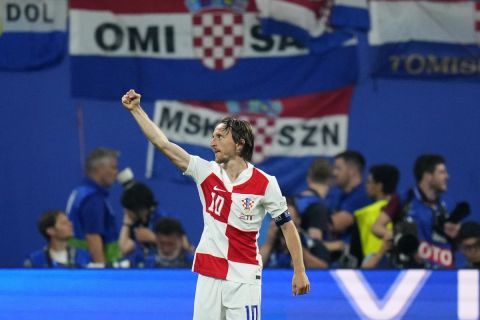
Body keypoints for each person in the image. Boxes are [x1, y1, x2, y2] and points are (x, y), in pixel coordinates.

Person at [121, 89, 309, 320]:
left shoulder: (266, 183)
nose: (212, 143)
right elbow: (163, 144)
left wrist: (299, 270)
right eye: (212, 137)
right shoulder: (205, 172)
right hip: (209, 272)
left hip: (244, 277)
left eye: (219, 137)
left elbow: (287, 226)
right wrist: (137, 110)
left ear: (240, 144)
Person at [401, 154, 460, 268]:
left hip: (444, 272)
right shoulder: (405, 199)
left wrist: (457, 235)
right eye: (442, 172)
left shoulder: (450, 205)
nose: (447, 176)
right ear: (428, 176)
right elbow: (378, 227)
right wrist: (402, 241)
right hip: (411, 274)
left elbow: (457, 243)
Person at [66, 147, 121, 265]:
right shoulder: (92, 198)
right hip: (89, 267)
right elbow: (93, 236)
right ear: (99, 169)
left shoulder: (81, 192)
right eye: (113, 167)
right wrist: (101, 269)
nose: (116, 172)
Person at [260, 197, 329, 269]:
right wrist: (269, 243)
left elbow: (323, 270)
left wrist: (298, 247)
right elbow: (255, 267)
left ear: (298, 221)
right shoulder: (268, 243)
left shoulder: (310, 243)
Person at [330, 151, 372, 266]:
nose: (334, 173)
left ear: (352, 170)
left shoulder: (363, 194)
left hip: (356, 263)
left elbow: (336, 224)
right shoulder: (341, 196)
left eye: (338, 168)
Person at [356, 164, 399, 266]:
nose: (366, 185)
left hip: (372, 262)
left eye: (369, 182)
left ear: (379, 186)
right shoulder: (402, 209)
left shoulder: (363, 213)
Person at [25, 209, 91, 268]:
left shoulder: (84, 256)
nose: (70, 224)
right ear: (51, 231)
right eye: (64, 223)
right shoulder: (35, 261)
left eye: (69, 221)